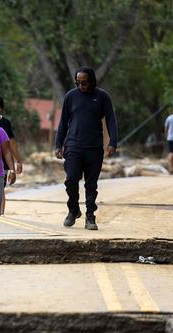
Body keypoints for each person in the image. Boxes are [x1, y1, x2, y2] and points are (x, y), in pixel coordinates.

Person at [54, 66, 118, 230]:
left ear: (92, 82)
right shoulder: (71, 96)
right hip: (73, 145)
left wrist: (113, 142)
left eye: (84, 83)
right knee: (71, 180)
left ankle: (90, 217)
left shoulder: (102, 97)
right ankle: (73, 210)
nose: (81, 86)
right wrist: (58, 144)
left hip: (94, 147)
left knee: (91, 184)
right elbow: (63, 122)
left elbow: (111, 120)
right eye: (78, 83)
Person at [0, 94, 23, 215]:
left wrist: (18, 161)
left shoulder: (5, 123)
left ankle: (0, 213)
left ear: (0, 108)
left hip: (2, 162)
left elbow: (11, 143)